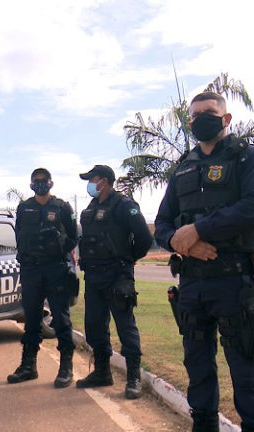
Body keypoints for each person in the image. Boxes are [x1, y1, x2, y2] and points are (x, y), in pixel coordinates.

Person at [154, 92, 254, 432]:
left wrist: (198, 229)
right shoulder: (183, 169)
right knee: (197, 365)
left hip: (234, 281)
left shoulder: (248, 158)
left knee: (245, 366)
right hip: (192, 280)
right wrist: (183, 245)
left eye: (210, 112)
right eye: (195, 115)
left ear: (227, 118)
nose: (201, 119)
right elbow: (163, 223)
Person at [76, 164, 153, 399]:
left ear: (106, 181)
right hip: (94, 276)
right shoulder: (91, 208)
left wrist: (128, 259)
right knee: (94, 327)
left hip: (117, 276)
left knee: (125, 327)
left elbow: (144, 238)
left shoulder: (124, 205)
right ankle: (102, 373)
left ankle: (133, 378)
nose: (90, 183)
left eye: (93, 179)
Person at [7, 168, 79, 388]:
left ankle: (66, 367)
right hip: (31, 270)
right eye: (36, 181)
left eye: (43, 181)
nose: (40, 184)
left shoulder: (62, 207)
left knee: (61, 319)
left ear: (51, 183)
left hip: (55, 269)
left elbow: (73, 237)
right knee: (32, 319)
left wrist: (58, 251)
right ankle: (29, 366)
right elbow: (19, 234)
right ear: (31, 185)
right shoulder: (24, 207)